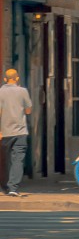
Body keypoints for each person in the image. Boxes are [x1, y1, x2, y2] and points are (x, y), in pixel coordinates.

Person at [0, 67, 32, 198]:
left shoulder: (0, 92)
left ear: (5, 79)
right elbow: (28, 110)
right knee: (17, 160)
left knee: (4, 159)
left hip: (4, 131)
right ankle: (13, 187)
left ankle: (4, 186)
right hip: (20, 131)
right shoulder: (23, 91)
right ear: (17, 78)